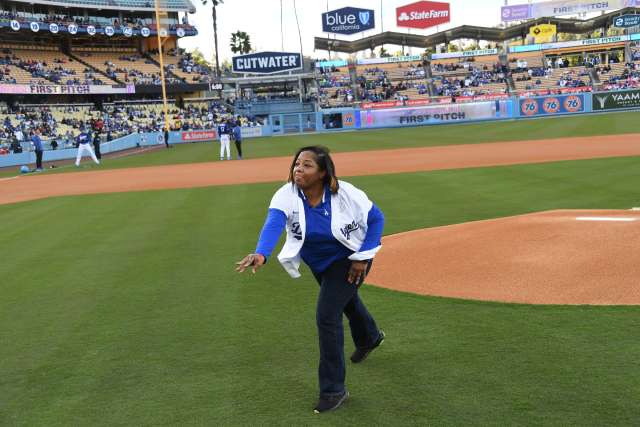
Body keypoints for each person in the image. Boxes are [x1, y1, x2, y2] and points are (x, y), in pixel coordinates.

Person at [236, 145, 385, 414]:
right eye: (296, 164)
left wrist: (363, 257)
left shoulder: (345, 193)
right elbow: (273, 222)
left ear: (322, 172)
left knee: (327, 315)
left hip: (352, 260)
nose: (298, 169)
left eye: (306, 165)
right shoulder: (287, 194)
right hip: (319, 263)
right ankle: (370, 337)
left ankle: (333, 390)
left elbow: (376, 218)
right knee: (346, 302)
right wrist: (261, 253)